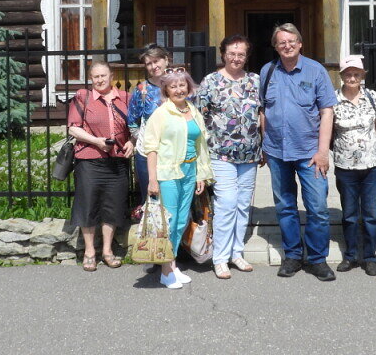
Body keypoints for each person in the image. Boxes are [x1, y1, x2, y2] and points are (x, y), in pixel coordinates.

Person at [260, 23, 337, 282]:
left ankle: (317, 259)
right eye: (281, 42)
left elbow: (327, 111)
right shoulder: (267, 71)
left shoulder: (316, 71)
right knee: (285, 207)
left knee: (318, 208)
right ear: (275, 46)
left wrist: (323, 151)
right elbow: (263, 111)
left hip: (310, 153)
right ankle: (292, 256)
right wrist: (264, 145)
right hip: (277, 152)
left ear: (300, 43)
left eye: (291, 41)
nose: (287, 45)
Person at [196, 34, 262, 280]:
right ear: (223, 54)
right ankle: (220, 257)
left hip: (250, 154)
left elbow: (262, 113)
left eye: (241, 54)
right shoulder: (211, 81)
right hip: (220, 154)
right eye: (232, 53)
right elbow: (199, 118)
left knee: (243, 205)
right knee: (226, 204)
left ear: (247, 56)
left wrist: (264, 145)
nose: (236, 58)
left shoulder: (255, 80)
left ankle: (236, 252)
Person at [143, 66, 214, 289]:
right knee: (170, 221)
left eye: (182, 84)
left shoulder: (192, 110)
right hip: (168, 173)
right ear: (166, 90)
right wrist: (152, 179)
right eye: (173, 86)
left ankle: (172, 265)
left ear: (188, 87)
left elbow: (200, 145)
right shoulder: (161, 113)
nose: (178, 89)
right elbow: (150, 147)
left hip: (190, 171)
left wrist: (201, 174)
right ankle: (165, 271)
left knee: (182, 221)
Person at [66, 61, 134, 272]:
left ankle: (107, 250)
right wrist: (97, 141)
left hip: (117, 160)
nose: (100, 80)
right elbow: (73, 129)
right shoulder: (83, 97)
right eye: (95, 76)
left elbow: (136, 126)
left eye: (103, 75)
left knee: (112, 206)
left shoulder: (126, 98)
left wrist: (132, 141)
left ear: (111, 76)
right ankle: (89, 252)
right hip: (89, 159)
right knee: (88, 205)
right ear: (91, 79)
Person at [331, 56, 376, 276]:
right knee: (350, 214)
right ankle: (351, 255)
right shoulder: (333, 99)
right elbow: (329, 129)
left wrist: (370, 146)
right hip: (345, 167)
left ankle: (370, 257)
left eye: (356, 74)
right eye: (348, 74)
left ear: (362, 76)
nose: (352, 78)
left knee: (371, 215)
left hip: (372, 165)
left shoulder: (371, 96)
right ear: (342, 76)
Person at [127, 44, 169, 214]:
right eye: (149, 63)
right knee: (152, 199)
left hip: (174, 153)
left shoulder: (179, 84)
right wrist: (145, 140)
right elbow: (132, 121)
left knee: (173, 200)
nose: (154, 66)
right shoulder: (141, 90)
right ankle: (152, 230)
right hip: (147, 154)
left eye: (156, 61)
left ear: (166, 60)